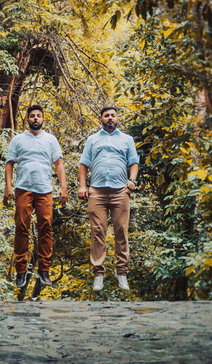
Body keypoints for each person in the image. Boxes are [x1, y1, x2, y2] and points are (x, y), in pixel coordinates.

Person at [4, 105, 67, 287]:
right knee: (21, 227)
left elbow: (59, 164)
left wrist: (63, 188)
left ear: (43, 120)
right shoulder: (18, 140)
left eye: (39, 116)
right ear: (28, 120)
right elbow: (9, 165)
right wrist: (8, 188)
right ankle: (21, 271)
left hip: (44, 190)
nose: (36, 119)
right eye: (32, 116)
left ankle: (44, 270)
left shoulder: (51, 140)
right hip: (23, 188)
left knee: (45, 227)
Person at [77, 106, 139, 292]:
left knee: (121, 232)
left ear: (117, 119)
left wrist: (132, 180)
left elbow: (133, 162)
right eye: (107, 116)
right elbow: (84, 164)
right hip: (97, 192)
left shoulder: (127, 139)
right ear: (101, 119)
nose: (110, 118)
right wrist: (82, 186)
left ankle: (122, 273)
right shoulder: (93, 139)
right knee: (98, 233)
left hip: (120, 192)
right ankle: (99, 275)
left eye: (113, 115)